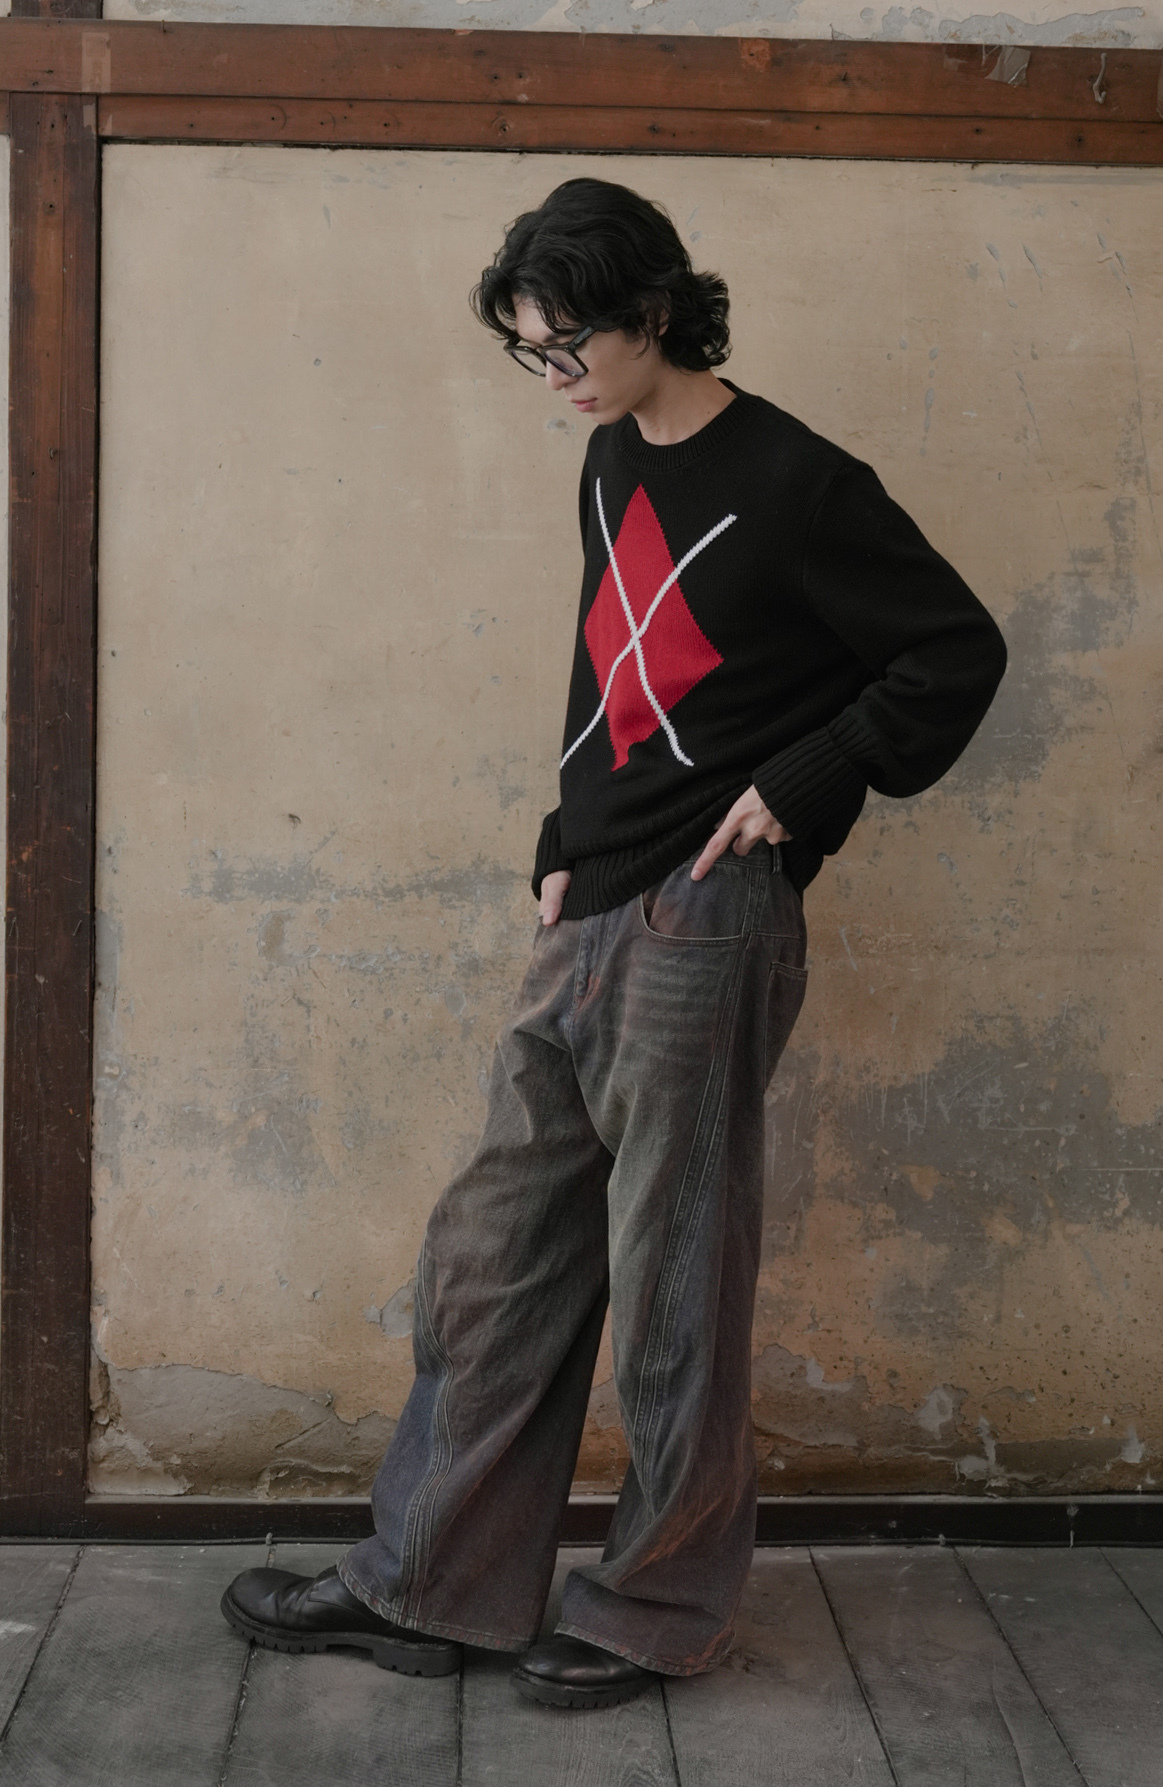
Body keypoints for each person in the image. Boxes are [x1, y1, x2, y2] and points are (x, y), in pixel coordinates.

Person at [221, 177, 1007, 1710]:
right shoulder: (610, 455)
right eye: (530, 349)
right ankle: (433, 1585)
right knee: (494, 1258)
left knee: (670, 1288)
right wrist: (562, 836)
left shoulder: (799, 482)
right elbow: (619, 674)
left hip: (709, 918)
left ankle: (655, 1610)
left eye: (568, 342)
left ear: (653, 311)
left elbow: (953, 652)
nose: (553, 375)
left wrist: (802, 786)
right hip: (590, 906)